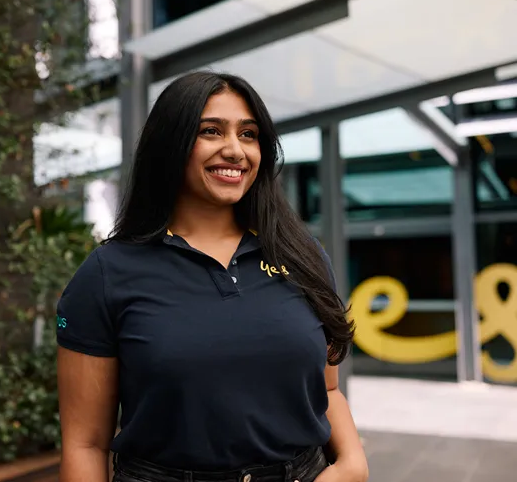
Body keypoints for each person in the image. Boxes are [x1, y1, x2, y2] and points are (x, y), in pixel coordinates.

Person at [55, 71, 368, 482]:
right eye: (211, 131)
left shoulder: (301, 254)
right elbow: (86, 444)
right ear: (170, 143)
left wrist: (351, 465)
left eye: (248, 134)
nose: (235, 150)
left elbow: (327, 389)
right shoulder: (107, 273)